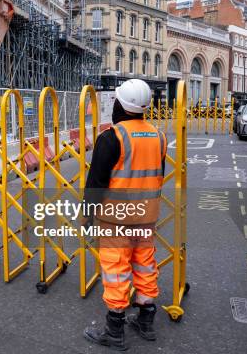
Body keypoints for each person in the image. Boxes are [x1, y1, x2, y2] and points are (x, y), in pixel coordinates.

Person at [82, 79, 166, 351]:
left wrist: (87, 215)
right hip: (146, 215)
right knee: (144, 264)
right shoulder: (158, 135)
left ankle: (115, 331)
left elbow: (96, 183)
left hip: (117, 219)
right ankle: (146, 320)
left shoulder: (112, 137)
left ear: (119, 104)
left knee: (116, 270)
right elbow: (157, 175)